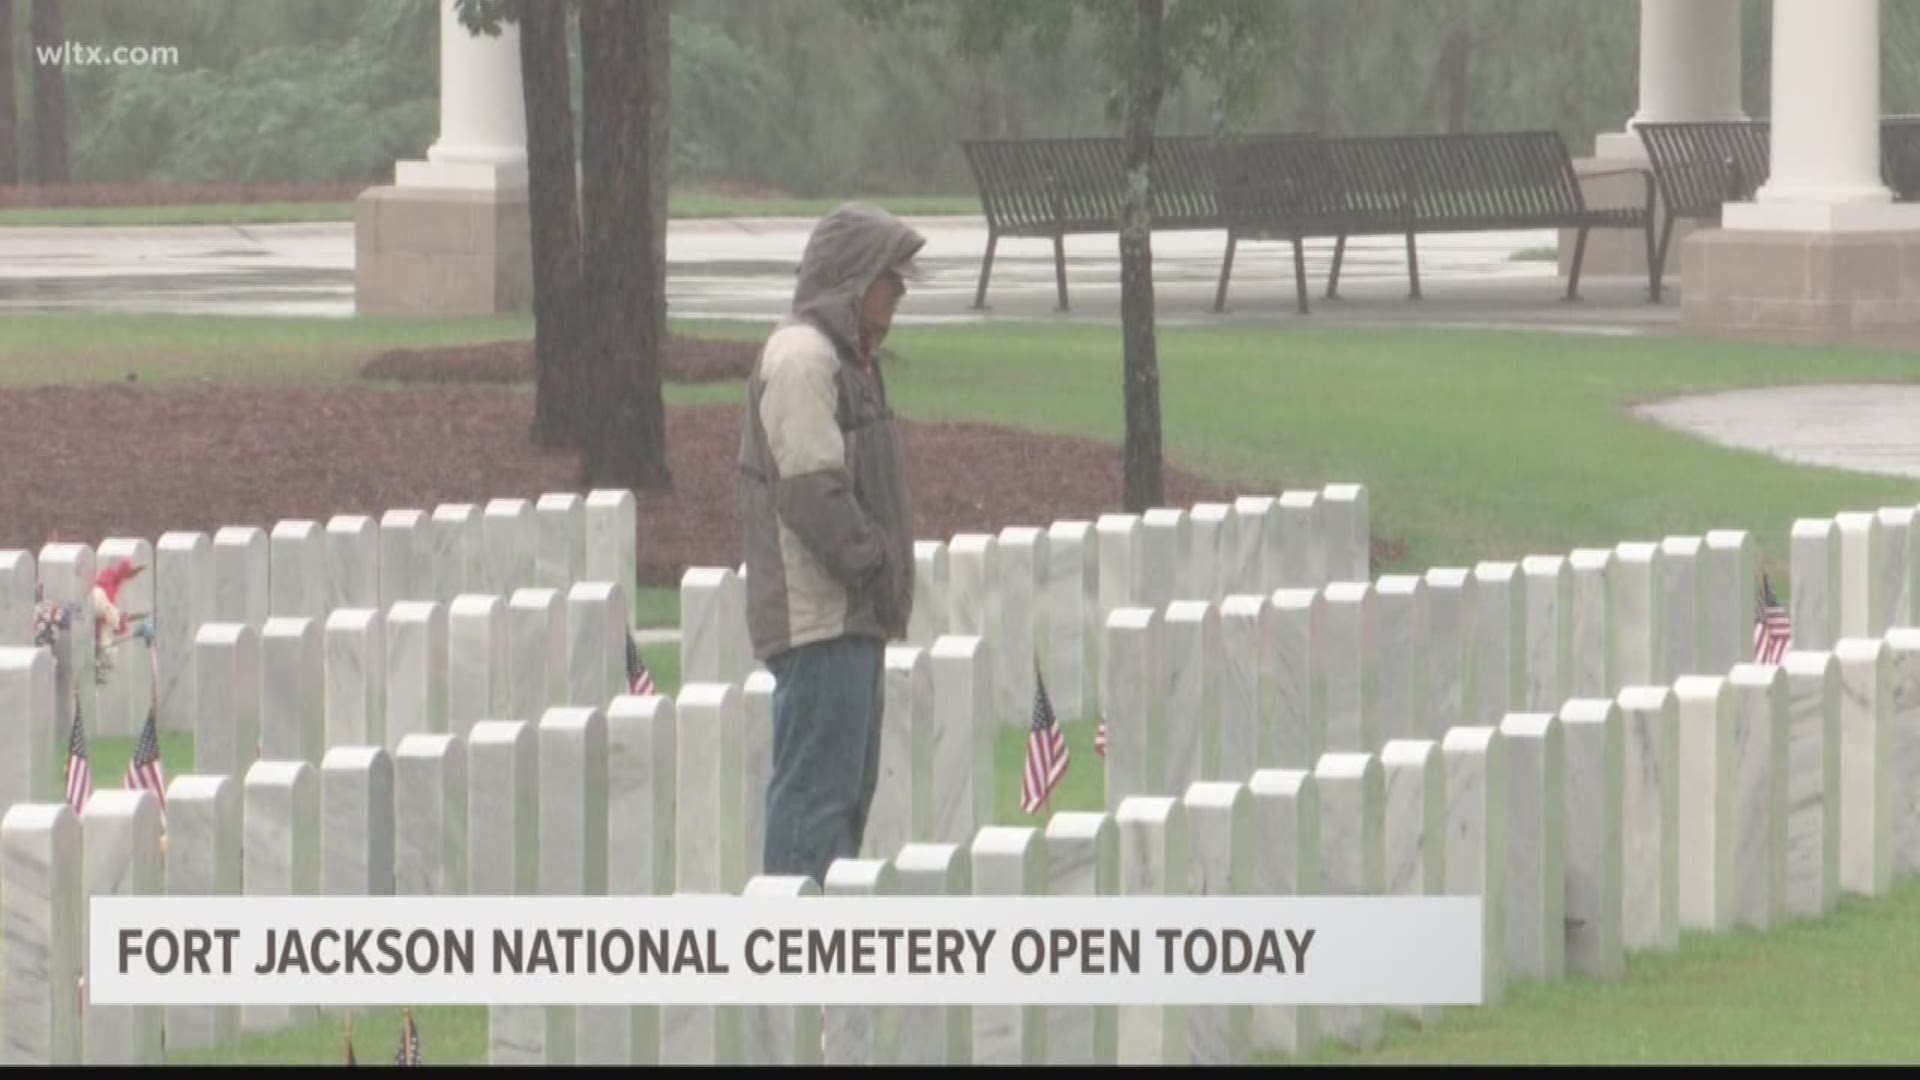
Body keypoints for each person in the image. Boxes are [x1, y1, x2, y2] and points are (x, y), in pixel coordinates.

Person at [738, 203, 924, 885]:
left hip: (850, 617)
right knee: (814, 805)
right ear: (852, 278)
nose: (899, 290)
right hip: (821, 619)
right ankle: (796, 963)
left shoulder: (848, 359)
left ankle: (824, 969)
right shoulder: (802, 358)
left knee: (844, 803)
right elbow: (811, 491)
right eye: (889, 275)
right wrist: (873, 564)